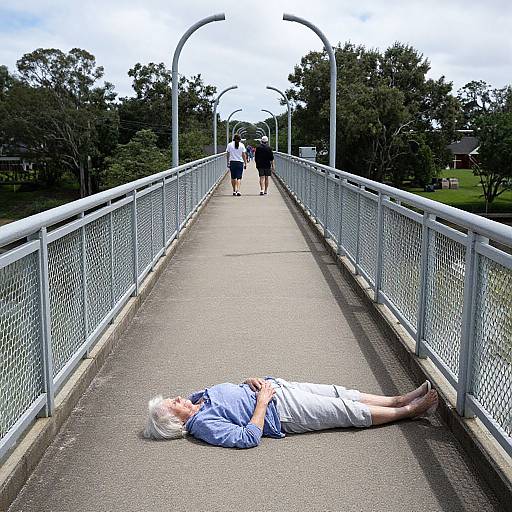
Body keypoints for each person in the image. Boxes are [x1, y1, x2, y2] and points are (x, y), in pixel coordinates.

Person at [144, 376, 438, 449]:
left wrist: (250, 381)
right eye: (174, 404)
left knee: (340, 393)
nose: (179, 397)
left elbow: (232, 394)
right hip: (282, 411)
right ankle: (409, 411)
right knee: (344, 411)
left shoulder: (198, 400)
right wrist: (261, 403)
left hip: (276, 388)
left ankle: (399, 399)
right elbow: (248, 437)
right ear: (175, 421)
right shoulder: (203, 425)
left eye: (173, 398)